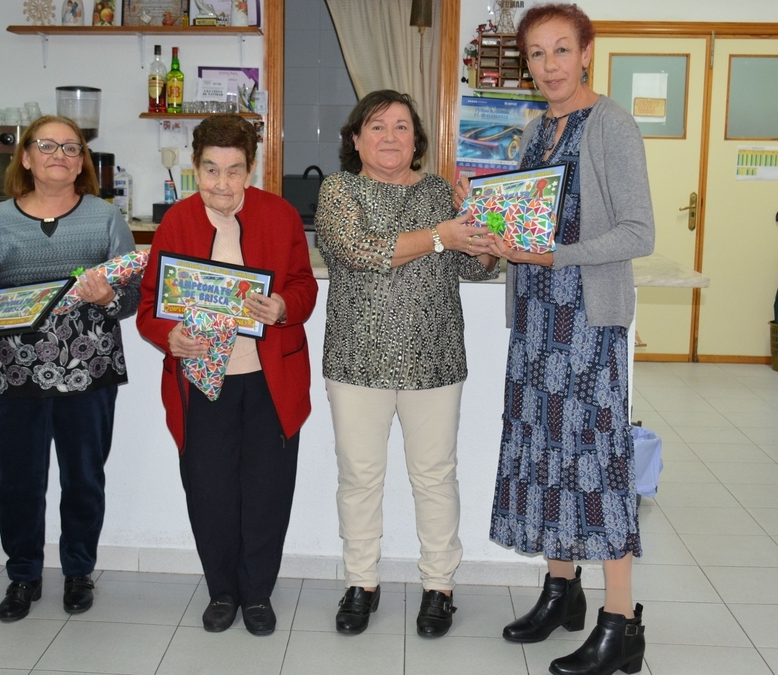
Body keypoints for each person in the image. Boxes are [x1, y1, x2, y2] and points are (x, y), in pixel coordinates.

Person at [482, 5, 655, 675]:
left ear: (586, 52)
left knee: (596, 464)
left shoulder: (611, 124)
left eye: (561, 50)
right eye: (536, 53)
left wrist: (552, 256)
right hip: (536, 325)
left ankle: (621, 624)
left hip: (587, 327)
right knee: (544, 453)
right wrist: (493, 232)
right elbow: (527, 227)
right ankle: (562, 591)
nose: (549, 65)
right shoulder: (534, 132)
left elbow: (638, 232)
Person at [315, 90, 499, 638]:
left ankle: (439, 587)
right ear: (356, 139)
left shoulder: (440, 191)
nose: (390, 136)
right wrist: (442, 236)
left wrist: (484, 231)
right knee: (359, 477)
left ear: (416, 138)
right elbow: (359, 250)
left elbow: (477, 268)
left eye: (401, 126)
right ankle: (361, 582)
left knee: (435, 476)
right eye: (377, 126)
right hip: (357, 356)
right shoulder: (338, 190)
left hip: (434, 355)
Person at [137, 114, 318, 636]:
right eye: (211, 170)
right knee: (209, 490)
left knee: (266, 491)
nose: (222, 183)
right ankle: (222, 590)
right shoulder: (176, 222)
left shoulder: (280, 215)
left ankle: (257, 594)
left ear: (251, 168)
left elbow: (304, 287)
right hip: (201, 380)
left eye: (234, 170)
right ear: (195, 169)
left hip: (268, 378)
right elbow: (150, 308)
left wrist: (282, 306)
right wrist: (168, 336)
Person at [0, 115, 139, 621]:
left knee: (83, 480)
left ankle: (79, 572)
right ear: (27, 157)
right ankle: (23, 576)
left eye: (71, 147)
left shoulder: (105, 218)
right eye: (47, 145)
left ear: (82, 163)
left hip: (89, 372)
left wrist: (107, 297)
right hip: (15, 373)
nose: (60, 154)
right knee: (18, 482)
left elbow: (132, 297)